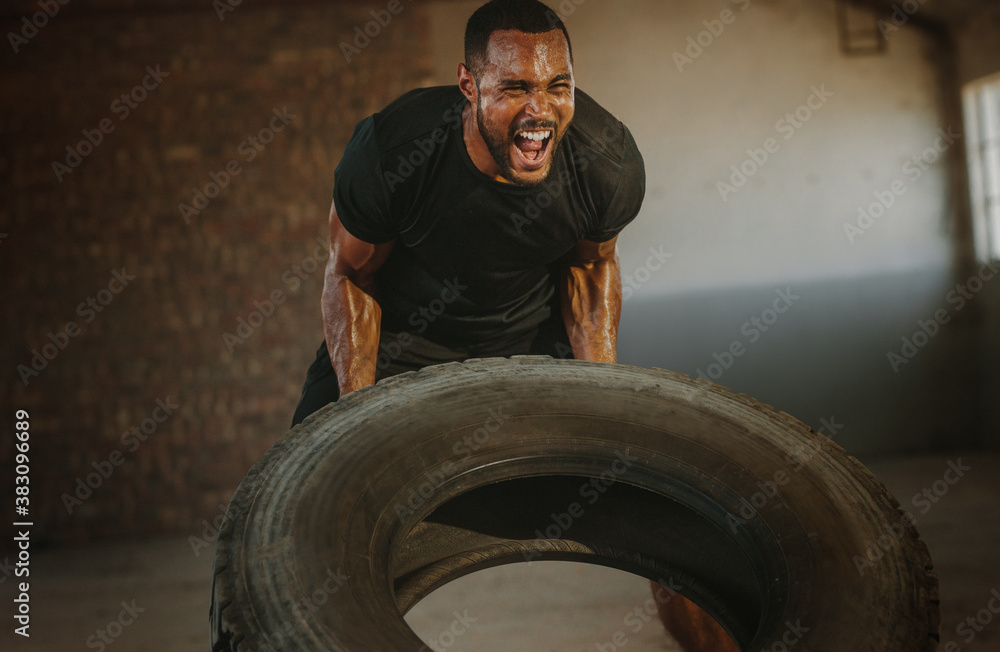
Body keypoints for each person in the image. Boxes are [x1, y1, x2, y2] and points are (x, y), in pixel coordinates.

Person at [291, 1, 734, 650]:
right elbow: (351, 275)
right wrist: (363, 425)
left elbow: (590, 272)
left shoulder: (604, 162)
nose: (541, 110)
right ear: (469, 87)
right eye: (516, 88)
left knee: (665, 512)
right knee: (302, 523)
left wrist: (602, 407)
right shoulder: (396, 149)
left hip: (532, 350)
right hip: (398, 352)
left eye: (559, 86)